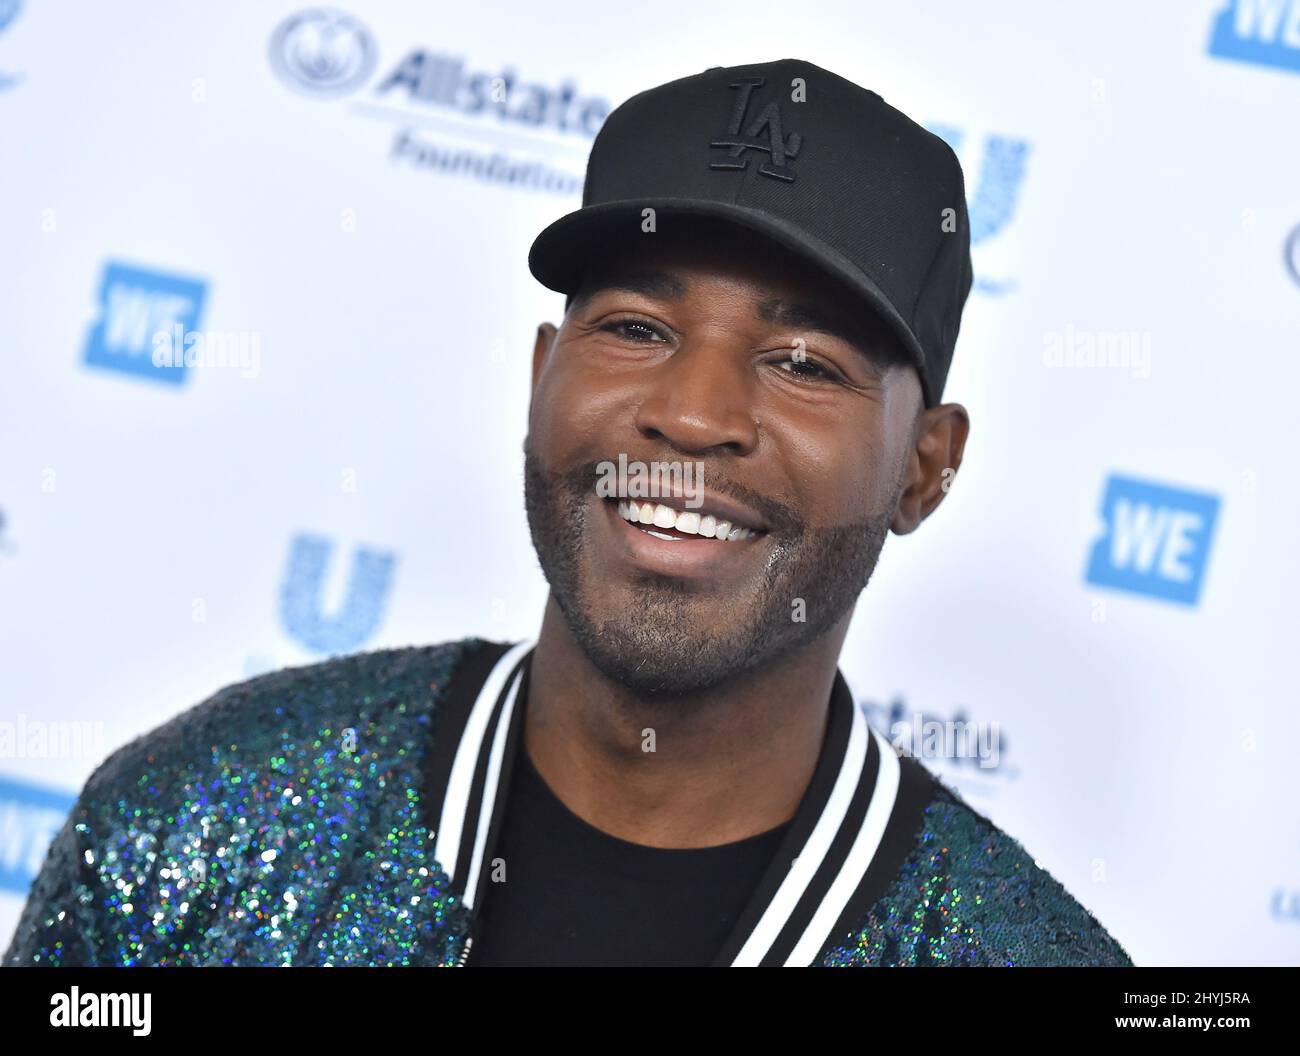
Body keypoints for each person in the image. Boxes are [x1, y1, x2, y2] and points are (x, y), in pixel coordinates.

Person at [4, 58, 1132, 968]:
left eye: (800, 361)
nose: (692, 416)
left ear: (923, 471)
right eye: (635, 330)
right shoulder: (203, 812)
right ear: (543, 376)